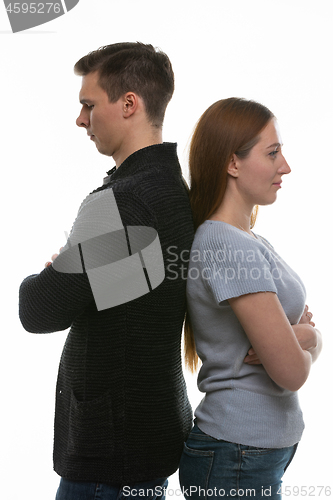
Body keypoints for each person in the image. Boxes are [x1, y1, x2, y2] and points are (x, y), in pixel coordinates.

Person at [19, 42, 194, 500]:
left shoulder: (121, 200)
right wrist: (81, 272)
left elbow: (38, 310)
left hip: (108, 458)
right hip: (147, 438)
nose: (81, 119)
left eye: (88, 105)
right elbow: (137, 292)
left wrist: (52, 271)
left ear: (129, 104)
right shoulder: (173, 189)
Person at [178, 98, 322, 499]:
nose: (285, 166)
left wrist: (302, 337)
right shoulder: (226, 242)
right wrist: (308, 336)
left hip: (248, 455)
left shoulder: (249, 240)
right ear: (233, 163)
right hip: (235, 456)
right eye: (272, 153)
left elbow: (295, 352)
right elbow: (292, 373)